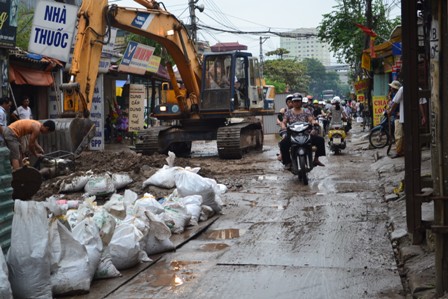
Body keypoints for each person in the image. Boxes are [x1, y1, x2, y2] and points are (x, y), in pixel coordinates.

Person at [279, 93, 326, 169]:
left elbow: (311, 119)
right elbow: (284, 121)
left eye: (298, 101)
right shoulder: (288, 112)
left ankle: (316, 159)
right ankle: (287, 162)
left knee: (320, 140)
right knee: (283, 144)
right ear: (292, 102)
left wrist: (314, 123)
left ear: (301, 102)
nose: (296, 103)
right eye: (295, 101)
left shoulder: (306, 111)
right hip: (292, 134)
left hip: (305, 133)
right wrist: (283, 127)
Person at [387, 80, 404, 158]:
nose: (391, 88)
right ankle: (400, 149)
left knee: (398, 135)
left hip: (399, 117)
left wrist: (390, 112)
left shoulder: (399, 93)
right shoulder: (394, 94)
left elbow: (395, 104)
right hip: (398, 117)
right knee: (399, 135)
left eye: (392, 87)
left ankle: (399, 152)